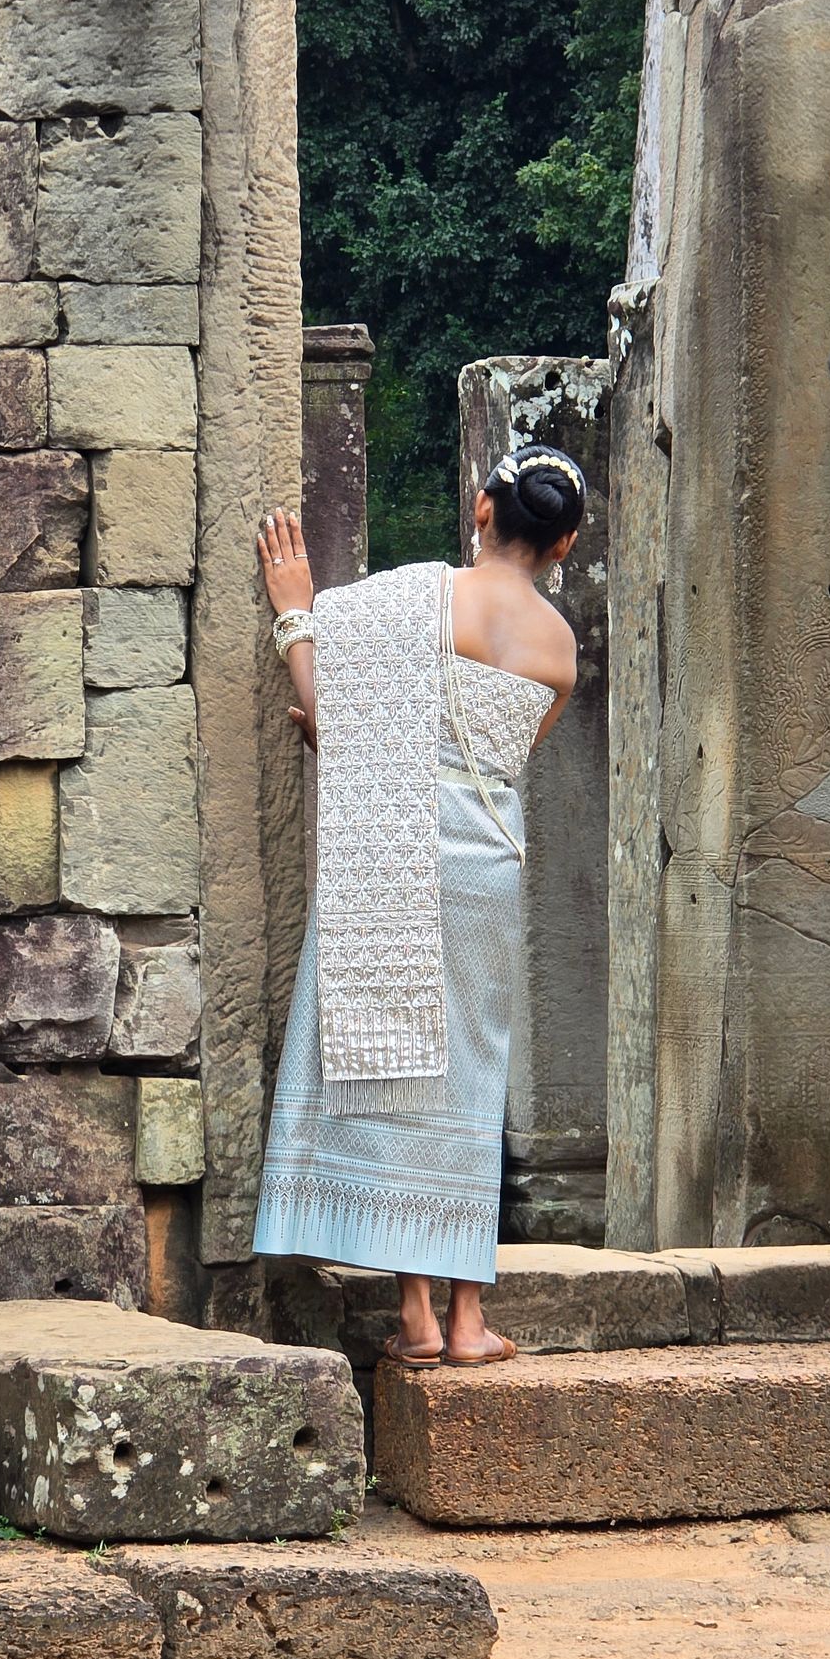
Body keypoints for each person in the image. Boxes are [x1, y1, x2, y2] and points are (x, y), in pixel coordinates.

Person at [250, 448, 585, 1367]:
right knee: (474, 1072)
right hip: (487, 869)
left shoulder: (407, 600)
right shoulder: (559, 648)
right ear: (563, 544)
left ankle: (417, 1319)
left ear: (482, 509)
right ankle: (469, 1318)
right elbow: (508, 760)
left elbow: (328, 717)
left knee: (401, 1070)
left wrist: (294, 613)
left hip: (393, 855)